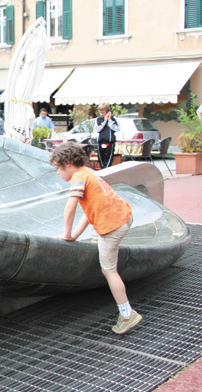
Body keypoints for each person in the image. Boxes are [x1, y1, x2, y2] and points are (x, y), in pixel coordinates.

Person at [50, 142, 141, 334]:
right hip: (123, 217)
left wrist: (66, 234)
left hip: (112, 226)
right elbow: (89, 211)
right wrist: (75, 235)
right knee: (109, 266)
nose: (57, 173)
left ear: (67, 163)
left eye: (58, 168)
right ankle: (126, 313)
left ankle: (127, 314)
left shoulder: (78, 177)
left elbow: (70, 208)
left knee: (109, 270)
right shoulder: (88, 173)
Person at [94, 103, 119, 169]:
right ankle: (103, 169)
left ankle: (107, 170)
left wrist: (109, 120)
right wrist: (105, 121)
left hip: (110, 141)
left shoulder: (113, 119)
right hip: (101, 141)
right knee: (101, 159)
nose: (101, 114)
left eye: (103, 112)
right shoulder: (98, 119)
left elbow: (117, 129)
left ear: (107, 111)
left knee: (108, 160)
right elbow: (98, 129)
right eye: (100, 112)